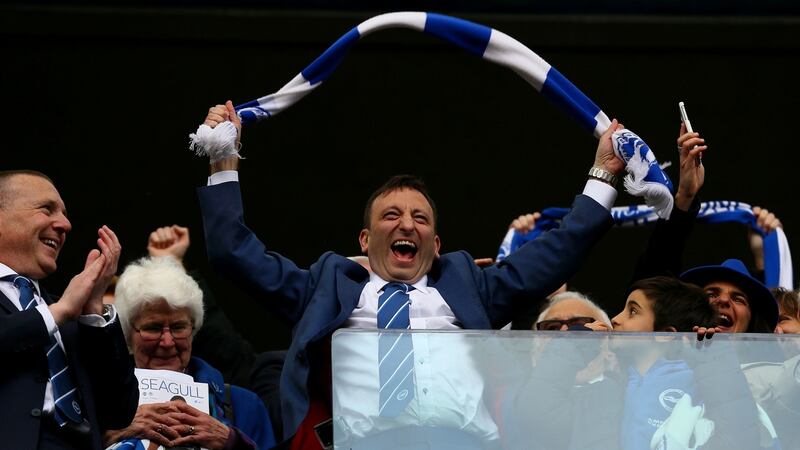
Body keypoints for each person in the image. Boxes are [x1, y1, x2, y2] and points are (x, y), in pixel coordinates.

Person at [196, 101, 626, 448]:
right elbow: (234, 253)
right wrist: (223, 161)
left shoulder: (472, 288)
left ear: (436, 245)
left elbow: (559, 250)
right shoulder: (325, 287)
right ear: (365, 240)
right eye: (392, 215)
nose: (406, 225)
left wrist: (604, 174)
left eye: (420, 218)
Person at [0, 170, 138, 450]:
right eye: (47, 209)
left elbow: (119, 411)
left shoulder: (70, 316)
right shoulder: (60, 310)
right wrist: (56, 312)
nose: (65, 224)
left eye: (64, 213)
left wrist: (93, 315)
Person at [105, 256, 276, 449]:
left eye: (178, 327)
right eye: (153, 328)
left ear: (193, 330)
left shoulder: (244, 405)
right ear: (128, 335)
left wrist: (230, 441)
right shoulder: (100, 405)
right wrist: (108, 434)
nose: (168, 342)